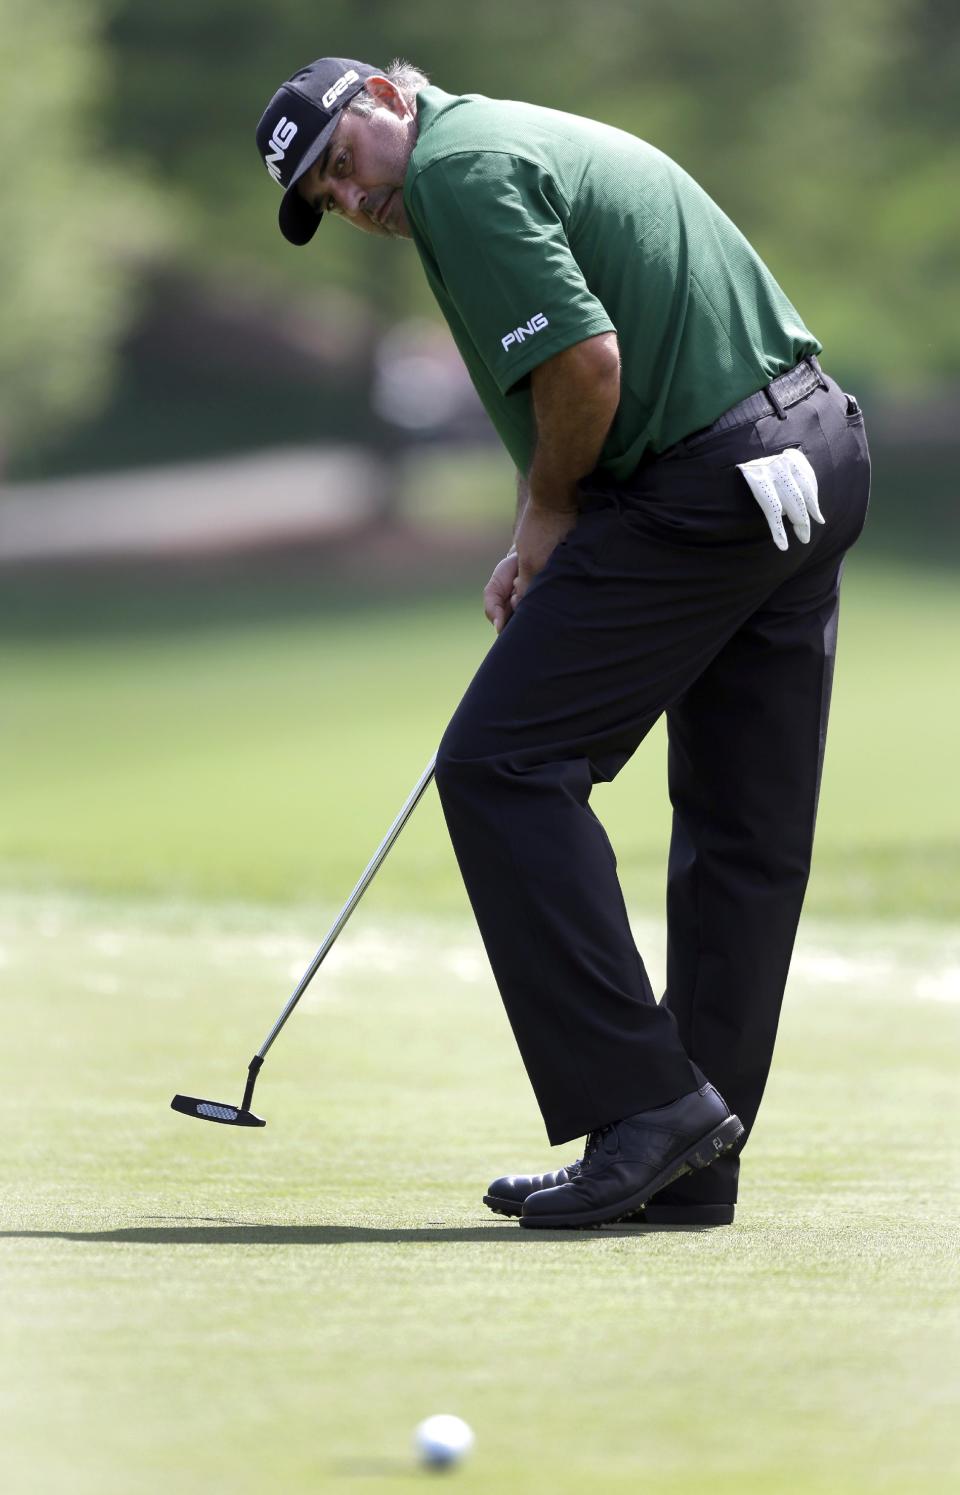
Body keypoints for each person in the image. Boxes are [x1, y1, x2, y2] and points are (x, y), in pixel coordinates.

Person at [255, 57, 870, 1229]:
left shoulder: (456, 167)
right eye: (326, 199)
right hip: (812, 450)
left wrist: (546, 517)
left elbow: (585, 365)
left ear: (388, 100)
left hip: (717, 478)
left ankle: (651, 1109)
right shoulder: (490, 146)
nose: (351, 200)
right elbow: (588, 369)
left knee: (500, 763)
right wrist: (553, 519)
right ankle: (691, 1153)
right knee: (746, 828)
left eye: (343, 162)